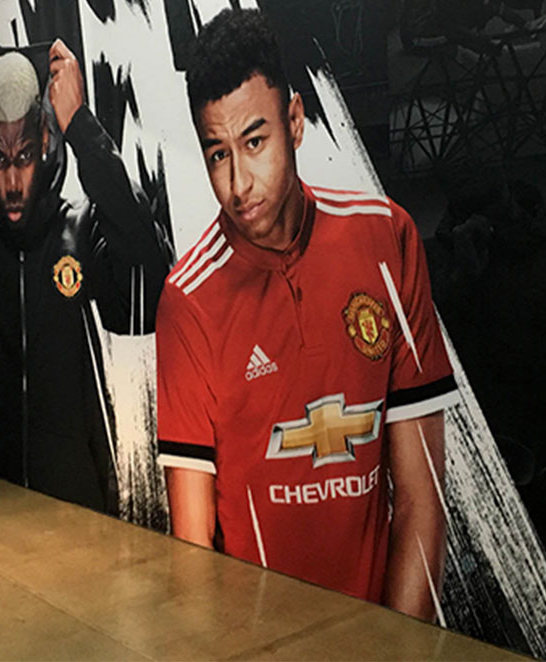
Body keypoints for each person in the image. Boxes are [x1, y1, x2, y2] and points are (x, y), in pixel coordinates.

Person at [155, 9, 458, 620]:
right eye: (217, 154)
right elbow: (192, 553)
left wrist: (396, 651)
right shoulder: (189, 299)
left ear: (294, 121)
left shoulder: (388, 239)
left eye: (255, 142)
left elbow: (421, 498)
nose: (239, 183)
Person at [0, 40, 171, 511]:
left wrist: (81, 126)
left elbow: (148, 281)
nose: (11, 183)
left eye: (24, 157)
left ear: (45, 141)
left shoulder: (81, 229)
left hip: (77, 509)